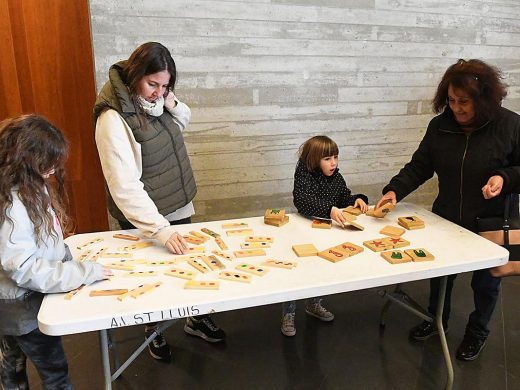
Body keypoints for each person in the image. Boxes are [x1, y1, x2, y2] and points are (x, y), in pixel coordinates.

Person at [376, 59, 520, 361]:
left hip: (489, 221)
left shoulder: (510, 125)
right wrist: (393, 191)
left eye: (464, 102)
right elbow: (420, 166)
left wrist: (504, 177)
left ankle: (477, 332)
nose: (456, 108)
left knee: (486, 281)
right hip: (447, 217)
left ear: (483, 98)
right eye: (451, 100)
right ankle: (436, 320)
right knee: (441, 276)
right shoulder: (440, 126)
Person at [93, 42, 225, 362]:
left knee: (189, 270)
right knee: (153, 283)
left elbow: (180, 123)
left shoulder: (157, 101)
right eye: (153, 84)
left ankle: (194, 319)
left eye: (165, 85)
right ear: (136, 75)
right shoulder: (113, 118)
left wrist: (170, 99)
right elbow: (123, 187)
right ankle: (154, 333)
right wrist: (160, 230)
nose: (158, 92)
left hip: (177, 202)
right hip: (147, 216)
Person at [0, 115, 110, 389]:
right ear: (26, 161)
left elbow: (42, 240)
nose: (53, 171)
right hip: (22, 306)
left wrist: (66, 258)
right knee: (53, 370)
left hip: (14, 303)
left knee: (12, 363)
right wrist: (82, 271)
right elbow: (23, 267)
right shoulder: (12, 206)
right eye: (47, 165)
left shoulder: (25, 187)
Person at [282, 135, 369, 336]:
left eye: (335, 157)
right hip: (302, 230)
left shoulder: (336, 177)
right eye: (328, 159)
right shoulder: (304, 177)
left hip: (325, 231)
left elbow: (344, 197)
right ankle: (289, 312)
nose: (334, 163)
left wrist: (357, 200)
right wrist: (329, 209)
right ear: (313, 160)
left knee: (320, 269)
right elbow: (302, 201)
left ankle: (314, 303)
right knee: (297, 273)